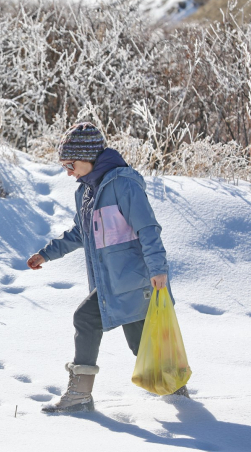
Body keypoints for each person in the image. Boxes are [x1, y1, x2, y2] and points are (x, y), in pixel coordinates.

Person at [27, 122, 188, 414]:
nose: (68, 171)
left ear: (87, 157)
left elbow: (148, 228)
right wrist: (46, 254)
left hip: (136, 282)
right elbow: (81, 233)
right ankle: (177, 393)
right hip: (114, 283)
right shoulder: (87, 193)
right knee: (140, 345)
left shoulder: (123, 185)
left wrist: (158, 268)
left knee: (87, 320)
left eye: (70, 164)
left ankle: (80, 396)